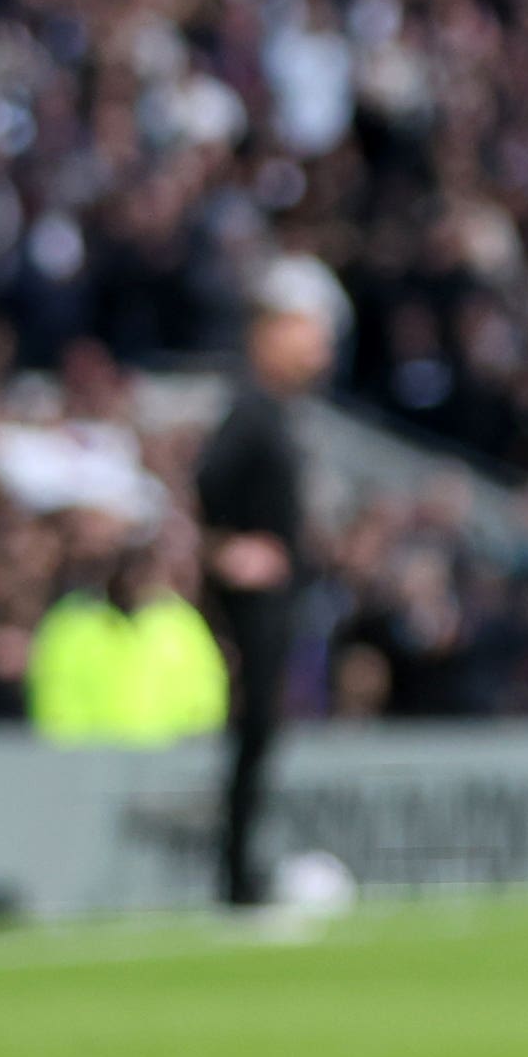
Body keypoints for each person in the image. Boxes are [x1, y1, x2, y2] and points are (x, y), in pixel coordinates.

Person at [196, 260, 339, 908]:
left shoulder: (280, 412)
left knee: (265, 733)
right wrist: (226, 549)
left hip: (278, 597)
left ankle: (243, 868)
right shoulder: (251, 410)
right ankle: (235, 876)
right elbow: (207, 484)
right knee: (251, 732)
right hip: (251, 603)